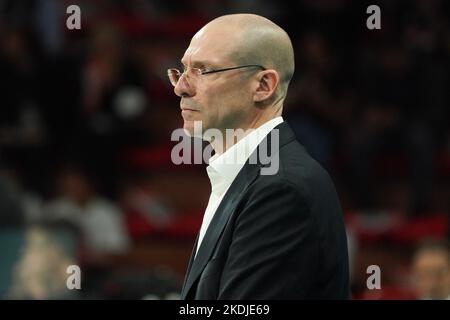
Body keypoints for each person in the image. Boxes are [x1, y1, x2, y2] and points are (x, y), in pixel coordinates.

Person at [168, 13, 349, 299]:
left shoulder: (281, 188)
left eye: (202, 71)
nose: (181, 87)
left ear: (264, 85)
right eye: (182, 71)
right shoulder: (256, 176)